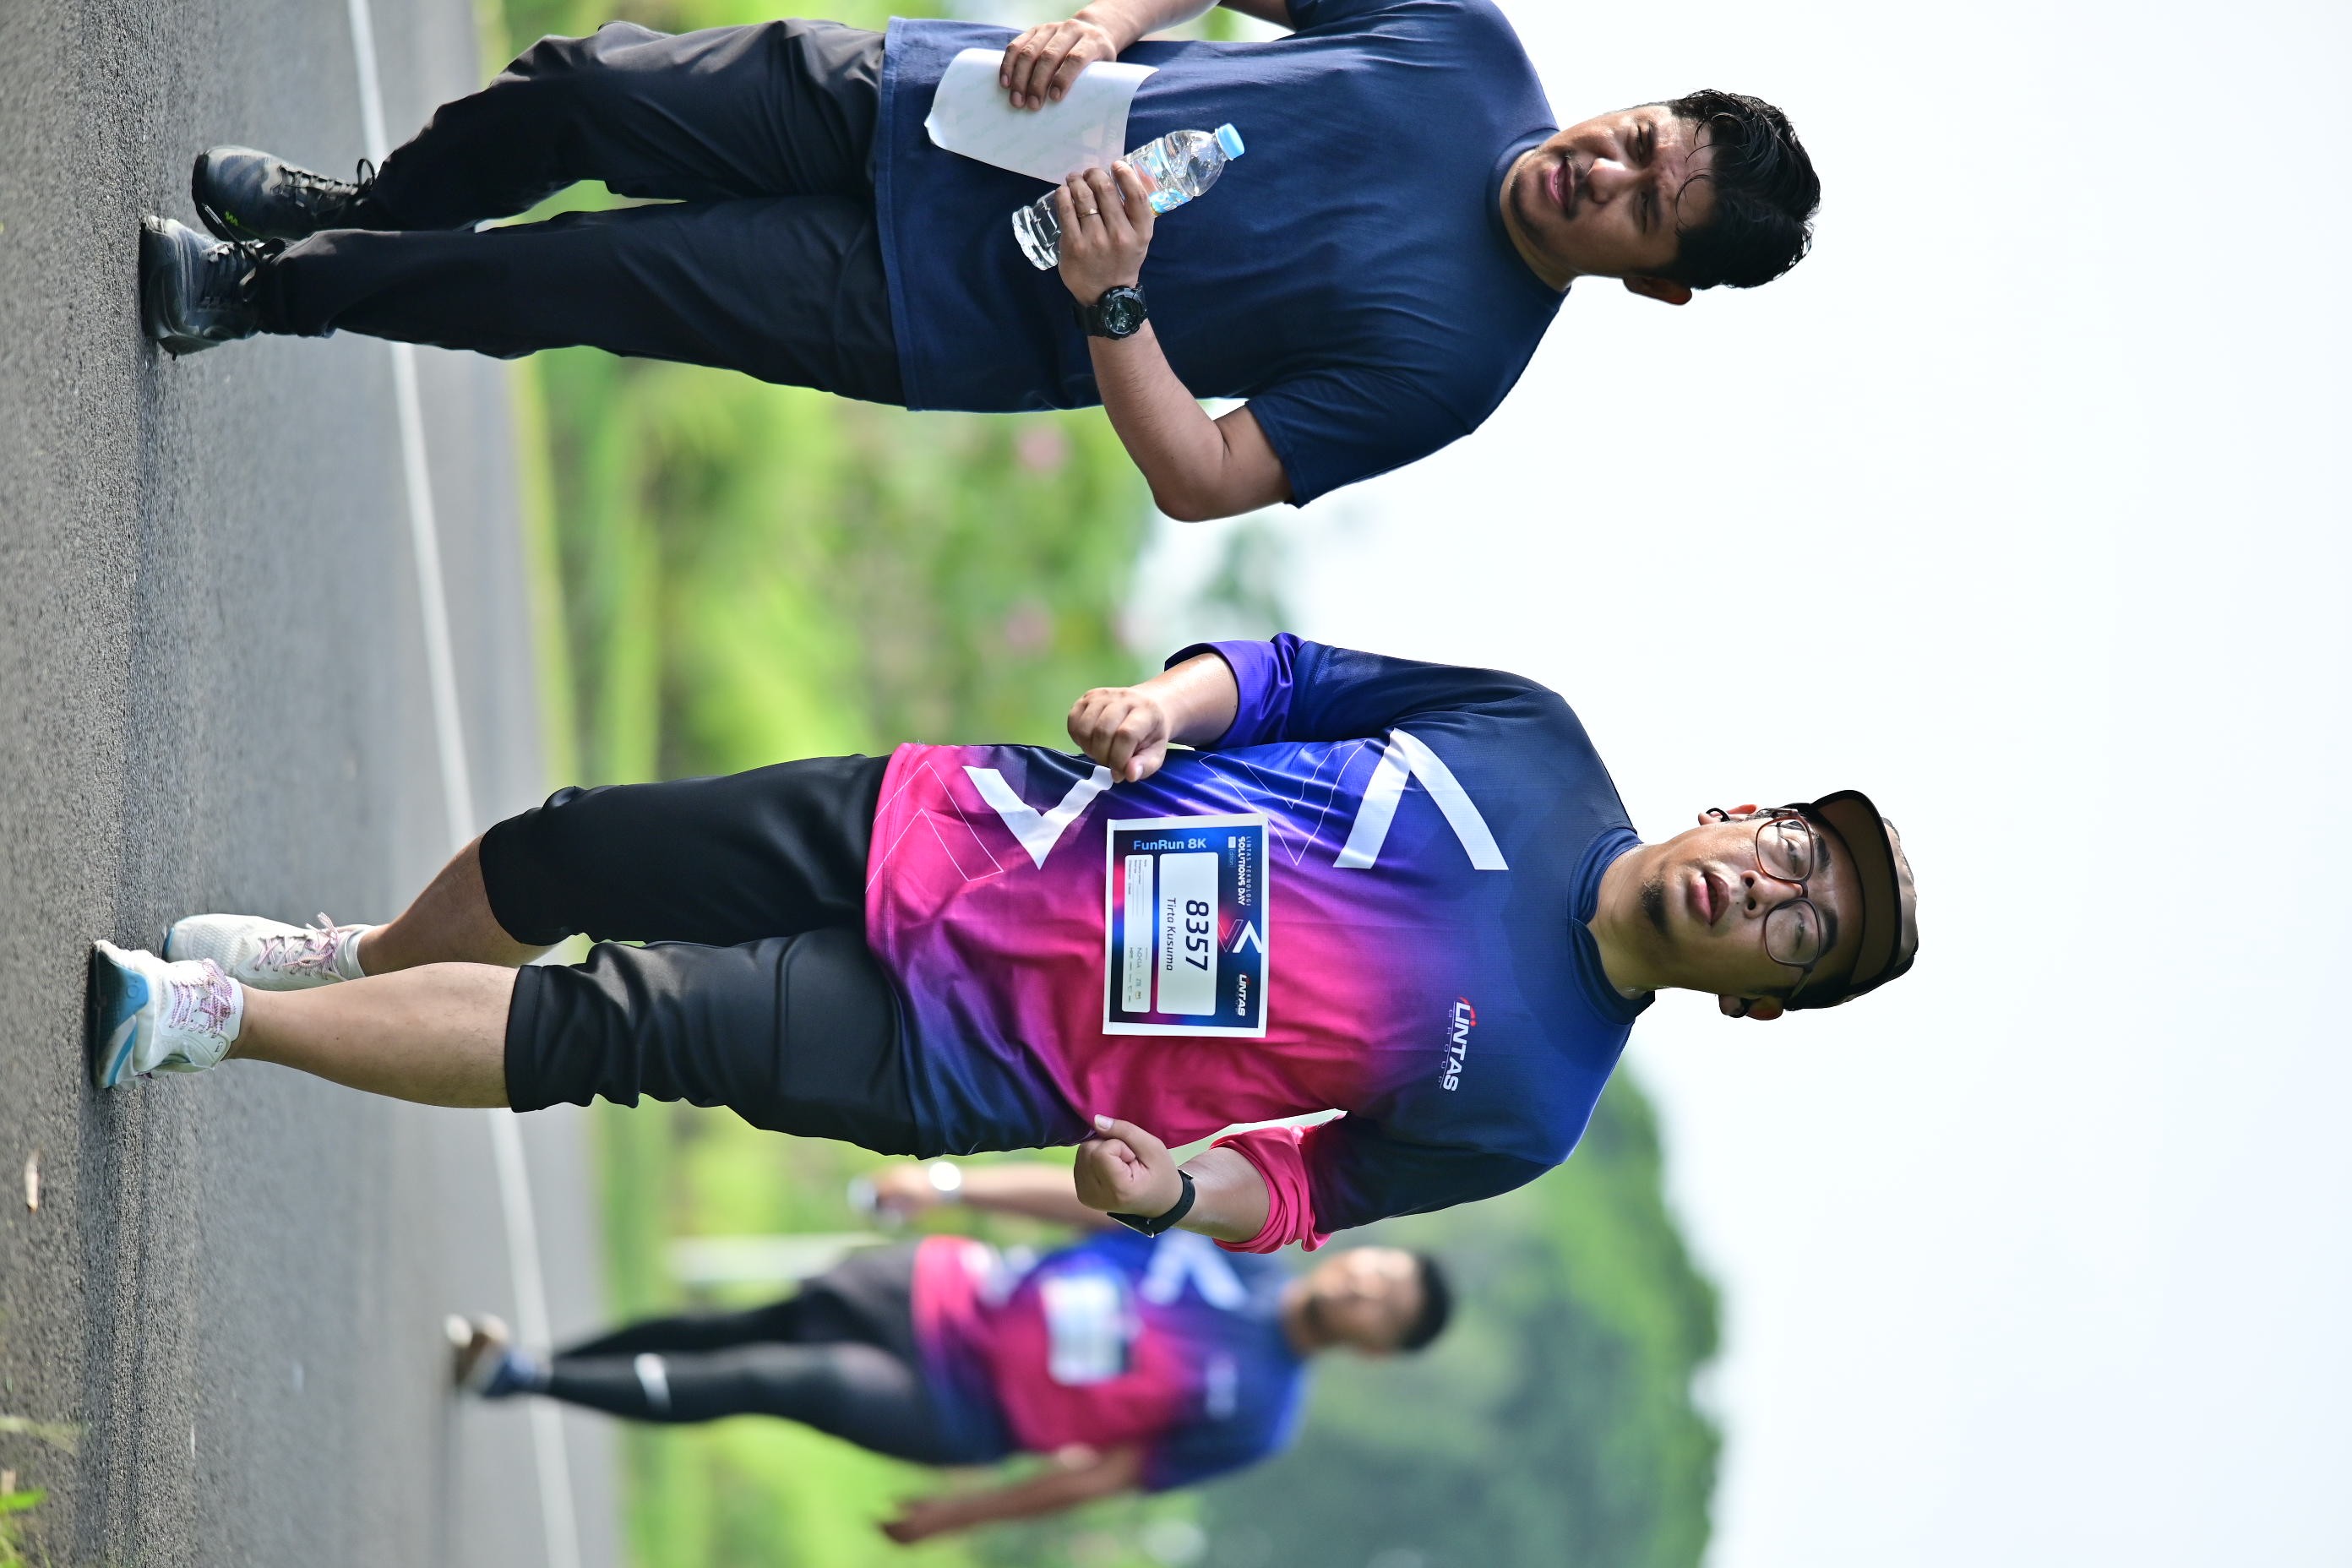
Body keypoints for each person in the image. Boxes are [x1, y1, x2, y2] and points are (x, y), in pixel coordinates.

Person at [87, 634, 1919, 1250]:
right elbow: (1290, 677)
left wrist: (1166, 1195)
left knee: (614, 1025)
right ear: (1739, 807)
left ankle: (214, 1016)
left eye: (1801, 930)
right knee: (571, 851)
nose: (1767, 889)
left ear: (1763, 1003)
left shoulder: (1531, 1106)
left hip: (967, 1055)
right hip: (969, 822)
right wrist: (1164, 706)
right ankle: (360, 956)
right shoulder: (1530, 738)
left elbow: (1307, 1194)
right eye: (1788, 852)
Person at [135, 0, 1819, 519]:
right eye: (1637, 135)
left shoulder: (1458, 368)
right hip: (937, 103)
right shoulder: (1464, 43)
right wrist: (1109, 23)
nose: (1599, 167)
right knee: (589, 90)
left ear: (1655, 281)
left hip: (927, 308)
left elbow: (1206, 477)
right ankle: (364, 202)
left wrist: (1113, 300)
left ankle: (268, 292)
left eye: (1639, 204)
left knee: (574, 278)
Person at [449, 1159, 1448, 1543]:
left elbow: (1106, 1473)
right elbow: (1091, 1202)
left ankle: (523, 1373)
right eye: (1381, 1269)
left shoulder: (1261, 1414)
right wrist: (953, 1183)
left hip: (958, 1407)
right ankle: (536, 1358)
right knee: (738, 1330)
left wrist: (965, 1511)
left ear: (1377, 1349)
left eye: (1386, 1308)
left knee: (776, 1379)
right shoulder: (1236, 1239)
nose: (1366, 1288)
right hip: (944, 1287)